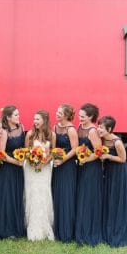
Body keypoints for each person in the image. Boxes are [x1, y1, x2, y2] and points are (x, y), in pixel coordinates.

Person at [97, 116, 127, 247]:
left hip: (119, 172)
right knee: (109, 199)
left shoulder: (117, 142)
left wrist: (108, 156)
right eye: (98, 126)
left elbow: (123, 159)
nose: (99, 129)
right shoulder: (101, 139)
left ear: (109, 129)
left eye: (101, 127)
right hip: (109, 172)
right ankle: (107, 228)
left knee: (117, 200)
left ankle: (118, 230)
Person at [24, 110, 56, 241]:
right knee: (32, 194)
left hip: (45, 168)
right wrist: (32, 162)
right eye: (34, 119)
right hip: (31, 169)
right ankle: (32, 227)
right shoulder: (30, 134)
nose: (35, 121)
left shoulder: (51, 134)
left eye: (38, 119)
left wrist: (43, 163)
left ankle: (45, 225)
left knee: (44, 193)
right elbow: (26, 151)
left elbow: (53, 152)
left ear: (45, 120)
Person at [0, 105, 26, 239]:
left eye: (18, 114)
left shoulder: (21, 127)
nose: (19, 117)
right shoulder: (3, 132)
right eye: (16, 115)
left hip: (18, 168)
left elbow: (24, 147)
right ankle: (7, 230)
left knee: (17, 194)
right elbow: (1, 153)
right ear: (8, 118)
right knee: (7, 196)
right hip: (7, 168)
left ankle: (17, 226)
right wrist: (16, 162)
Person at [75, 103, 103, 246]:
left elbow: (99, 152)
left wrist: (86, 159)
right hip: (82, 166)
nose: (79, 119)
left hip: (92, 167)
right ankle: (81, 228)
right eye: (79, 116)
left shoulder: (92, 131)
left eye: (83, 117)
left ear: (91, 117)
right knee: (82, 196)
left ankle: (89, 229)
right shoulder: (80, 128)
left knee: (89, 197)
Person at [52, 104, 78, 243]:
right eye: (57, 111)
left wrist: (62, 160)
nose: (57, 114)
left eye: (60, 112)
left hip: (67, 166)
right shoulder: (55, 127)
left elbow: (75, 149)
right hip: (57, 165)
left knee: (66, 196)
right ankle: (58, 228)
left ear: (66, 115)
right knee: (57, 194)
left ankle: (67, 231)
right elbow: (53, 146)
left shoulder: (71, 129)